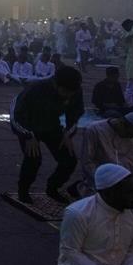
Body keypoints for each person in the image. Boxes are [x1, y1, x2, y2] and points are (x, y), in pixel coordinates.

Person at [11, 67, 84, 204]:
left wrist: (68, 134)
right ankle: (23, 190)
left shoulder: (75, 91)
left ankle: (52, 188)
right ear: (56, 84)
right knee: (33, 159)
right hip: (29, 125)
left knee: (69, 159)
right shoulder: (35, 89)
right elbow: (16, 115)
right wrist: (28, 135)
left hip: (52, 125)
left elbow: (75, 114)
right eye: (65, 92)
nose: (68, 96)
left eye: (71, 93)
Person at [80, 112, 133, 214]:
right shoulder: (94, 130)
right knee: (105, 205)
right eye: (130, 134)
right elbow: (88, 163)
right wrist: (107, 182)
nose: (131, 138)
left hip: (129, 187)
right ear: (122, 124)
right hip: (103, 187)